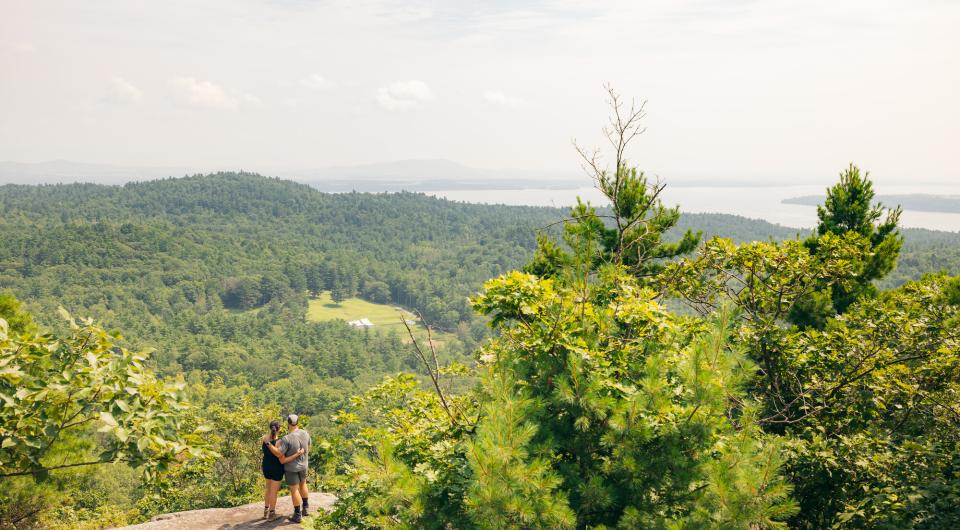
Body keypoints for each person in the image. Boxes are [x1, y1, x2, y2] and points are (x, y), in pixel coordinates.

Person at [262, 420, 304, 520]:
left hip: (266, 467)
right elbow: (281, 457)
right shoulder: (280, 441)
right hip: (276, 468)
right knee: (273, 491)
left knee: (268, 488)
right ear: (279, 429)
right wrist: (297, 454)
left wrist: (268, 443)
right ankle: (272, 514)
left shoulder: (264, 438)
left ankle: (265, 511)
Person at [276, 414, 311, 522]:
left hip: (291, 468)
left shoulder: (286, 439)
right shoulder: (305, 433)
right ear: (297, 423)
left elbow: (279, 454)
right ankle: (306, 508)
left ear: (288, 423)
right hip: (304, 465)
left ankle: (297, 514)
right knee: (303, 483)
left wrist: (276, 444)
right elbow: (309, 447)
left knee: (294, 489)